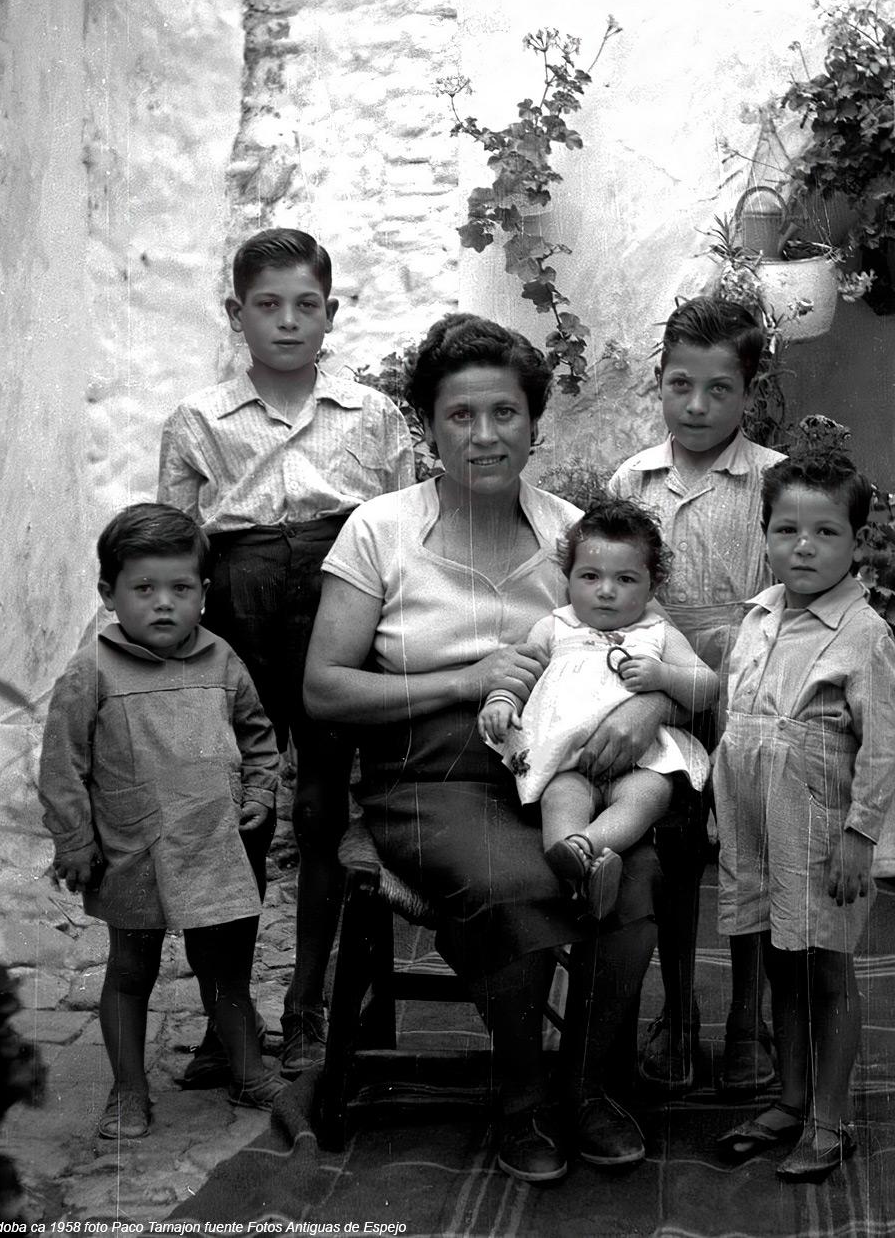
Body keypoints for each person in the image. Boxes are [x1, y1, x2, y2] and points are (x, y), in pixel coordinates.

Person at [304, 313, 673, 1184]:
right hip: (426, 775)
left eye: (505, 412)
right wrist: (460, 682)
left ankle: (585, 1088)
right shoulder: (379, 531)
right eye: (460, 415)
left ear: (534, 423)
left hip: (556, 769)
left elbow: (657, 645)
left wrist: (651, 703)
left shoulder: (572, 536)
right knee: (515, 879)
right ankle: (521, 1097)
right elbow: (324, 688)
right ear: (428, 428)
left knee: (636, 874)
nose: (484, 434)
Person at [158, 228, 414, 1081]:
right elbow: (176, 544)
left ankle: (307, 1006)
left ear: (331, 312)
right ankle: (225, 1020)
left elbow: (402, 532)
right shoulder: (199, 420)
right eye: (268, 305)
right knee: (242, 809)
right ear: (237, 314)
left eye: (307, 304)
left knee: (321, 810)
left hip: (341, 609)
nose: (288, 321)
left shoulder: (372, 415)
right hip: (241, 615)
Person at [38, 504, 283, 1138]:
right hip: (133, 848)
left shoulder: (222, 660)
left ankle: (249, 1072)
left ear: (204, 592)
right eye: (143, 588)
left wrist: (260, 790)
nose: (164, 604)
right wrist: (74, 842)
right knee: (129, 971)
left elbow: (258, 736)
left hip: (210, 845)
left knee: (223, 970)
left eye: (181, 588)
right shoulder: (91, 670)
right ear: (109, 593)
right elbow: (62, 765)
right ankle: (128, 1091)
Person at [607, 296, 785, 1094]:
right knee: (672, 850)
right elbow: (614, 598)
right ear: (659, 381)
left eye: (720, 389)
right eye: (681, 385)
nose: (698, 406)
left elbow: (792, 607)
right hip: (660, 692)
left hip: (752, 697)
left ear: (750, 392)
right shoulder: (633, 480)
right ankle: (676, 1012)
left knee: (752, 854)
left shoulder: (774, 481)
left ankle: (749, 1017)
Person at [714, 454, 895, 1180]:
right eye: (786, 529)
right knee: (780, 962)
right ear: (765, 535)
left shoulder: (863, 633)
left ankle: (830, 1117)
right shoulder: (759, 617)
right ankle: (790, 1099)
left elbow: (881, 748)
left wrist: (860, 835)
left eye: (826, 532)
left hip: (820, 828)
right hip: (758, 821)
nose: (803, 546)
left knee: (826, 967)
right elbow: (741, 716)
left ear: (856, 541)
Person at [477, 498, 716, 919]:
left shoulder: (658, 633)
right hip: (569, 764)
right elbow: (522, 675)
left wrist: (665, 676)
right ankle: (579, 863)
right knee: (559, 799)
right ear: (568, 579)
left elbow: (707, 685)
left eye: (625, 579)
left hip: (643, 762)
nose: (605, 591)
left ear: (651, 588)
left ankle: (586, 847)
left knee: (648, 796)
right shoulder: (554, 627)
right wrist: (501, 701)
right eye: (590, 576)